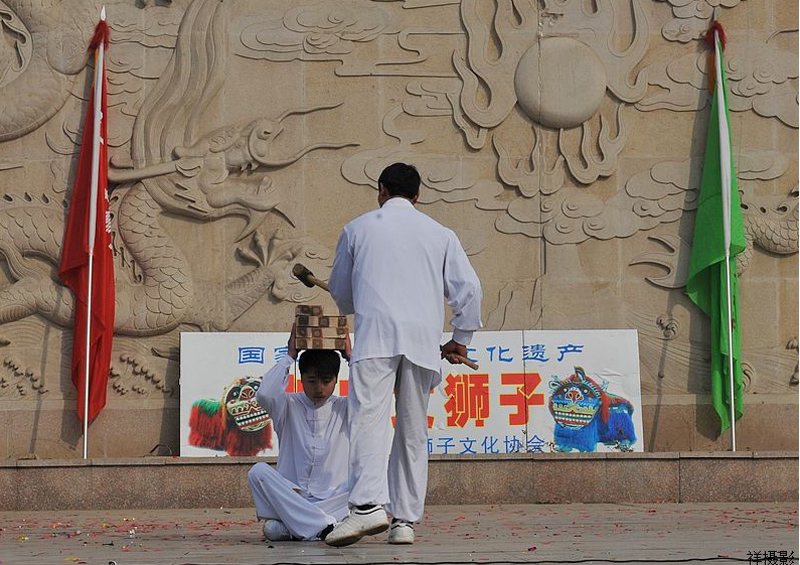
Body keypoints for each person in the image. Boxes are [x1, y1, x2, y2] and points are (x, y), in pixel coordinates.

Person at [325, 162, 482, 546]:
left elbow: (341, 294)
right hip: (421, 340)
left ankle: (367, 507)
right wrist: (460, 338)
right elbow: (470, 291)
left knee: (369, 421)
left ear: (381, 190)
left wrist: (356, 295)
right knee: (413, 430)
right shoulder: (440, 234)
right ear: (417, 195)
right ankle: (404, 522)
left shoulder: (357, 229)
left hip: (376, 337)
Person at [247, 326, 351, 541]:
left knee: (274, 531)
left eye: (326, 381)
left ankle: (307, 527)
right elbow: (265, 393)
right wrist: (290, 356)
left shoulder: (346, 407)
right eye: (312, 381)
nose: (319, 388)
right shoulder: (287, 405)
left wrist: (351, 356)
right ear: (301, 377)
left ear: (336, 379)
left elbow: (371, 396)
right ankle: (325, 527)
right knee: (257, 472)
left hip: (334, 500)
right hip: (294, 499)